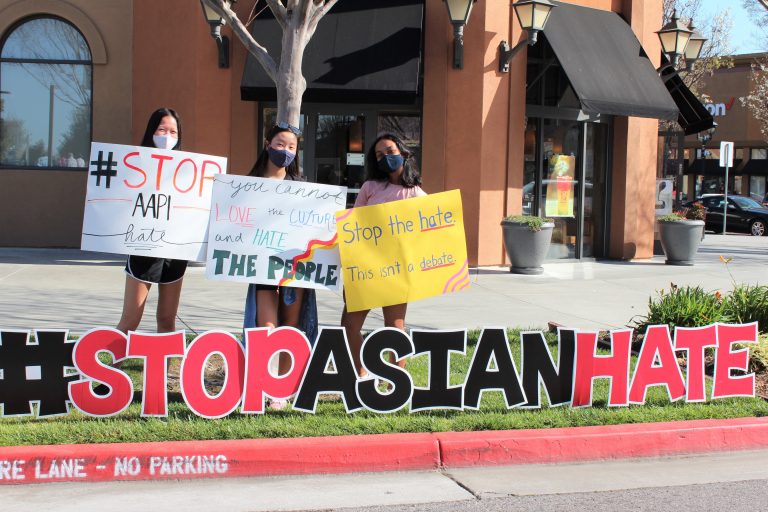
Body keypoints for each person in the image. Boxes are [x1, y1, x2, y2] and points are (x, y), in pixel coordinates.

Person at [243, 123, 318, 409]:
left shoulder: (302, 187)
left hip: (295, 267)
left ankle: (285, 387)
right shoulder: (247, 185)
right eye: (279, 144)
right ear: (267, 144)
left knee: (292, 325)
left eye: (291, 147)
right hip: (261, 266)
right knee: (266, 325)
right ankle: (267, 380)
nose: (284, 151)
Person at [341, 133, 426, 377]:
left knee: (395, 328)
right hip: (366, 269)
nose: (385, 158)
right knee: (349, 326)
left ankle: (395, 383)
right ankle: (361, 376)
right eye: (379, 155)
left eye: (389, 151)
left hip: (397, 272)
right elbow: (354, 229)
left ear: (403, 153)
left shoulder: (417, 195)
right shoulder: (370, 187)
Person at [117, 108, 187, 336]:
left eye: (173, 132)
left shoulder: (188, 170)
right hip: (142, 248)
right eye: (162, 130)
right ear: (151, 131)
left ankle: (167, 371)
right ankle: (109, 367)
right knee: (130, 320)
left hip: (174, 252)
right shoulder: (135, 166)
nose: (168, 136)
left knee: (167, 320)